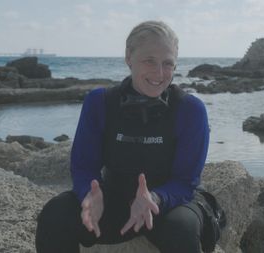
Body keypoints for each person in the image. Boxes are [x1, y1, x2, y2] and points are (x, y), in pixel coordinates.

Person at [35, 20, 210, 253]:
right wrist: (90, 194)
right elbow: (83, 166)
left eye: (168, 64)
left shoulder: (190, 110)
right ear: (129, 57)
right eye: (150, 60)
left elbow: (186, 182)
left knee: (181, 229)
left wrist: (155, 198)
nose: (160, 73)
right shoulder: (100, 102)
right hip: (114, 201)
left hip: (169, 203)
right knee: (55, 214)